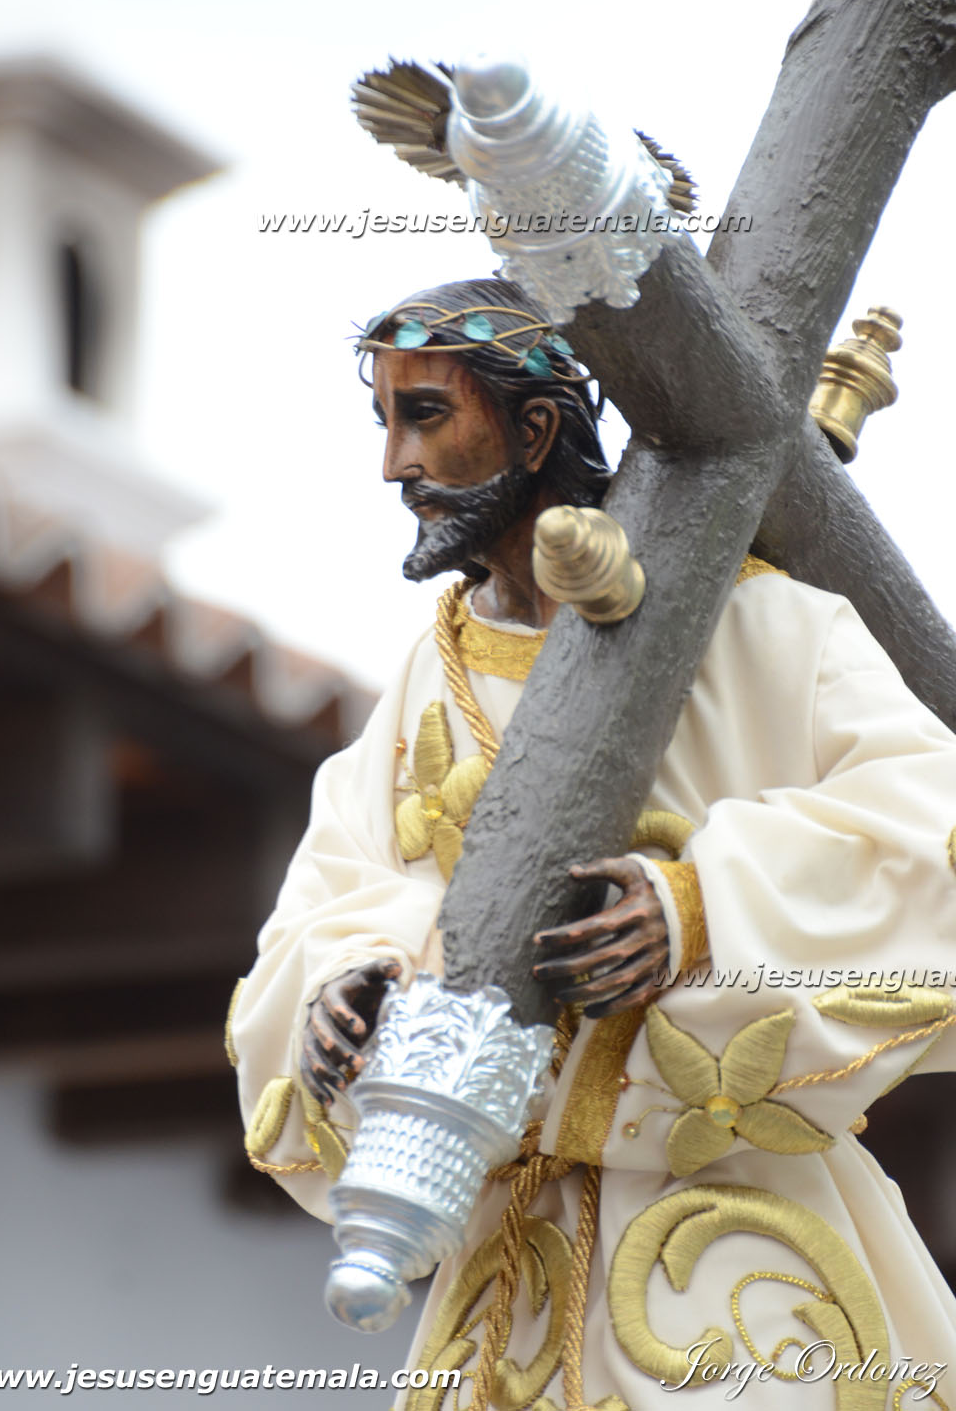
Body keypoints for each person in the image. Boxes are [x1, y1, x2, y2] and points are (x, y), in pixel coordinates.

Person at [230, 276, 956, 1409]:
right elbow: (334, 891)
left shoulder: (759, 621)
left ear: (532, 429)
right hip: (503, 1278)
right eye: (383, 420)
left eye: (424, 415)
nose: (393, 465)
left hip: (737, 1262)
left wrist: (700, 907)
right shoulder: (431, 673)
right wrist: (352, 982)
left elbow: (929, 819)